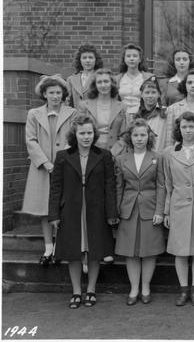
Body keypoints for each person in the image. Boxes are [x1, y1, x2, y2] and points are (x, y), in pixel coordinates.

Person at [48, 115, 118, 308]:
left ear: (94, 134)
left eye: (89, 133)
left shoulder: (104, 155)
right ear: (75, 134)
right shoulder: (64, 156)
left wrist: (112, 213)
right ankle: (77, 291)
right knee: (74, 252)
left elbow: (110, 186)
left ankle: (91, 290)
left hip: (96, 209)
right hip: (71, 210)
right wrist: (53, 214)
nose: (86, 137)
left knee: (95, 251)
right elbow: (55, 187)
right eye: (82, 133)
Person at [22, 75, 77, 266]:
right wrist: (46, 163)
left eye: (58, 93)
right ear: (44, 94)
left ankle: (62, 245)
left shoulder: (73, 113)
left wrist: (64, 163)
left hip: (66, 167)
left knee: (64, 206)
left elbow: (74, 139)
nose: (55, 96)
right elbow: (31, 140)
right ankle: (48, 246)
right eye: (51, 92)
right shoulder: (34, 114)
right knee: (45, 208)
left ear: (64, 95)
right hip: (43, 169)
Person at [161, 112, 194, 306]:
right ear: (179, 129)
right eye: (184, 127)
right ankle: (183, 289)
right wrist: (166, 210)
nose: (188, 130)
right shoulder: (169, 152)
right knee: (180, 251)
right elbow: (167, 183)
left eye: (191, 127)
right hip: (179, 206)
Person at [114, 119, 165, 305]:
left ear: (149, 136)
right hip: (128, 209)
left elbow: (161, 186)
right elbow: (119, 187)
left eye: (143, 135)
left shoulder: (157, 157)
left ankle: (146, 287)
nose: (139, 138)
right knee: (131, 252)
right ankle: (134, 288)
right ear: (130, 137)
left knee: (149, 251)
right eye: (135, 135)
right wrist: (117, 211)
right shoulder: (121, 159)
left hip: (150, 209)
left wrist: (160, 211)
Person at [78, 69, 127, 157]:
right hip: (90, 152)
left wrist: (111, 153)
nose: (103, 85)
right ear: (95, 85)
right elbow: (79, 131)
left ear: (112, 84)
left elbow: (124, 136)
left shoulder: (122, 107)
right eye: (99, 82)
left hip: (114, 153)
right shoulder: (84, 106)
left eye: (106, 81)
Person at [114, 43, 153, 119]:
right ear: (124, 59)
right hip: (122, 117)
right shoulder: (117, 79)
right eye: (128, 56)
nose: (131, 59)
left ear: (140, 59)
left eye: (135, 56)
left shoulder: (149, 78)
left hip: (143, 116)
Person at [134, 77, 167, 153]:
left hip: (159, 154)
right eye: (147, 92)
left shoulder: (165, 112)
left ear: (159, 94)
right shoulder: (135, 114)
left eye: (153, 92)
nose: (150, 96)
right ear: (141, 95)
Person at [66, 45, 103, 109]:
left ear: (96, 60)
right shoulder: (71, 79)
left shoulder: (101, 77)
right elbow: (67, 102)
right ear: (80, 60)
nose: (87, 60)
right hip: (76, 117)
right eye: (84, 58)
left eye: (91, 57)